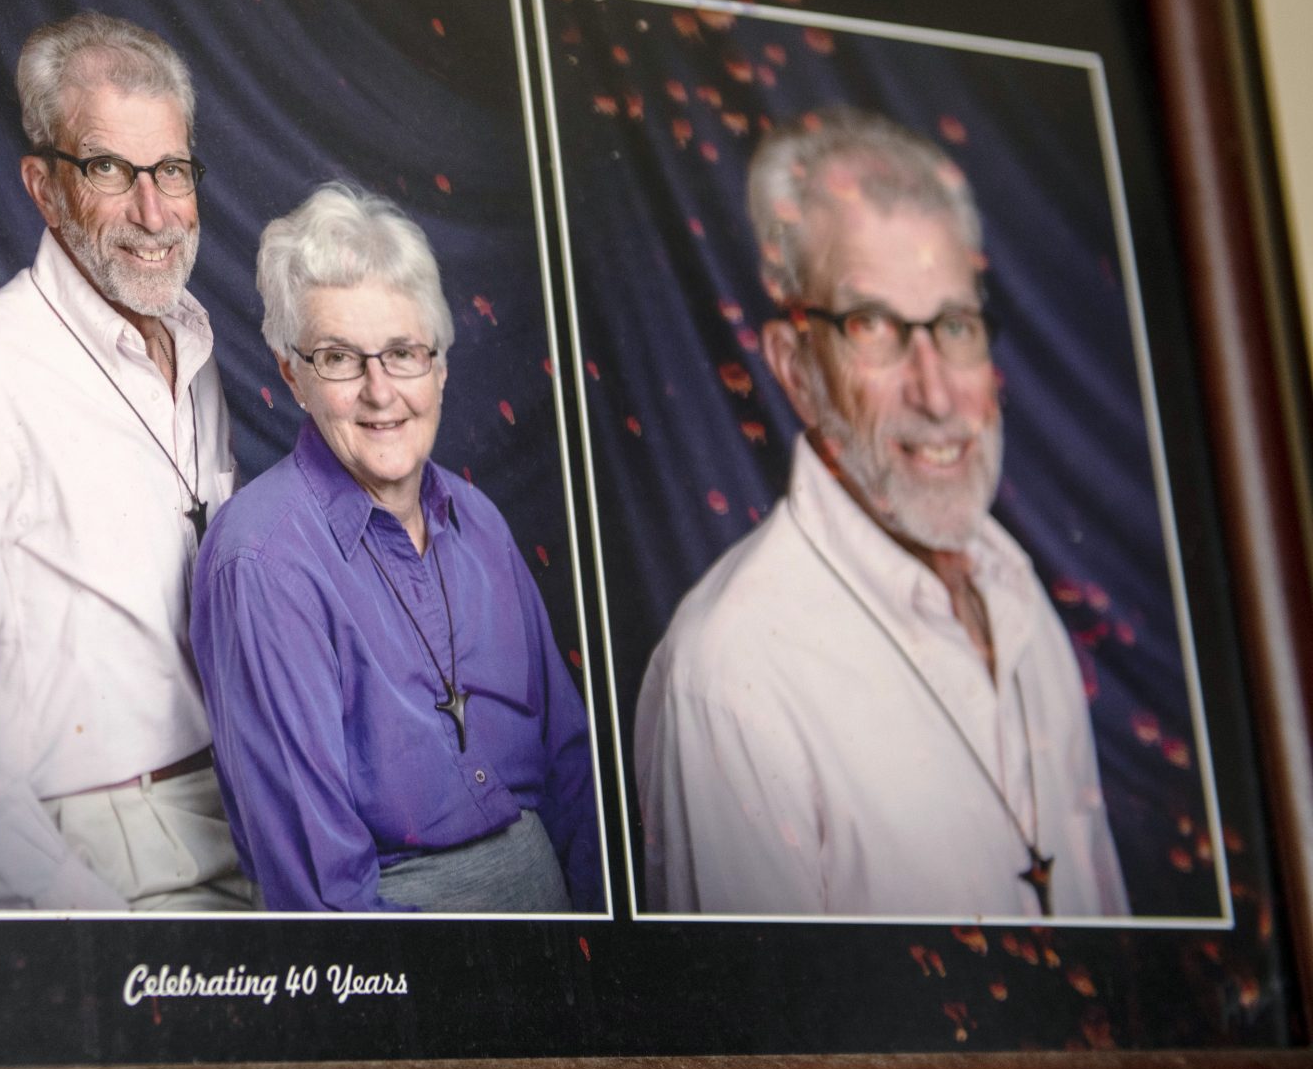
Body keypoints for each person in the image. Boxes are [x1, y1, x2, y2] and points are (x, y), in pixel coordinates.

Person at [635, 108, 1128, 918]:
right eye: (873, 327)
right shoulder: (729, 678)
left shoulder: (1022, 599)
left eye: (956, 325)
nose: (936, 394)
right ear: (797, 369)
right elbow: (770, 1044)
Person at [0, 11, 250, 911]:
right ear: (44, 187)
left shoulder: (195, 349)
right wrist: (75, 921)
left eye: (171, 170)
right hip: (105, 861)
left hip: (249, 819)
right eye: (110, 170)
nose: (155, 213)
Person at [189, 184, 600, 912]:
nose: (381, 392)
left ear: (439, 367)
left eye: (404, 352)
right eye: (341, 357)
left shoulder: (479, 520)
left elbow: (573, 768)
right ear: (293, 374)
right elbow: (322, 896)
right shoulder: (261, 560)